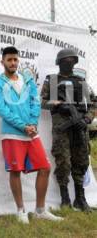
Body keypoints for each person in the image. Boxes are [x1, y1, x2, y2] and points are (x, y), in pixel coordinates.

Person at [0, 46, 63, 224]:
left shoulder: (27, 79)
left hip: (31, 133)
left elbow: (35, 101)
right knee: (15, 172)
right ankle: (21, 210)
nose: (13, 63)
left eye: (15, 59)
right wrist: (23, 126)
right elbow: (2, 109)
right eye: (9, 59)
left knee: (45, 168)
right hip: (12, 134)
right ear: (3, 62)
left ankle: (40, 210)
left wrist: (32, 123)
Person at [41, 48, 94, 211]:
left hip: (79, 126)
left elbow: (94, 102)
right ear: (59, 63)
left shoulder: (81, 81)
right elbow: (42, 102)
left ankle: (80, 198)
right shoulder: (51, 80)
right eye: (66, 60)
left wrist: (86, 118)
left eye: (72, 60)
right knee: (63, 162)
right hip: (61, 128)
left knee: (81, 161)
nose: (69, 63)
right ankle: (65, 198)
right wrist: (57, 104)